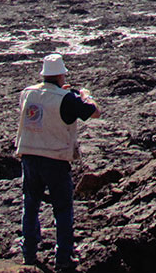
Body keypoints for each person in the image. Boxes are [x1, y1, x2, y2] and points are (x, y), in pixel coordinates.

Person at [15, 54, 100, 271]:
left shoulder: (27, 93)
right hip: (55, 159)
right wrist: (85, 96)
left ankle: (29, 253)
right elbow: (94, 113)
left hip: (30, 156)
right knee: (62, 209)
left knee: (30, 204)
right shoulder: (68, 99)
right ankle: (63, 257)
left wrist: (65, 92)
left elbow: (43, 102)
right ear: (61, 75)